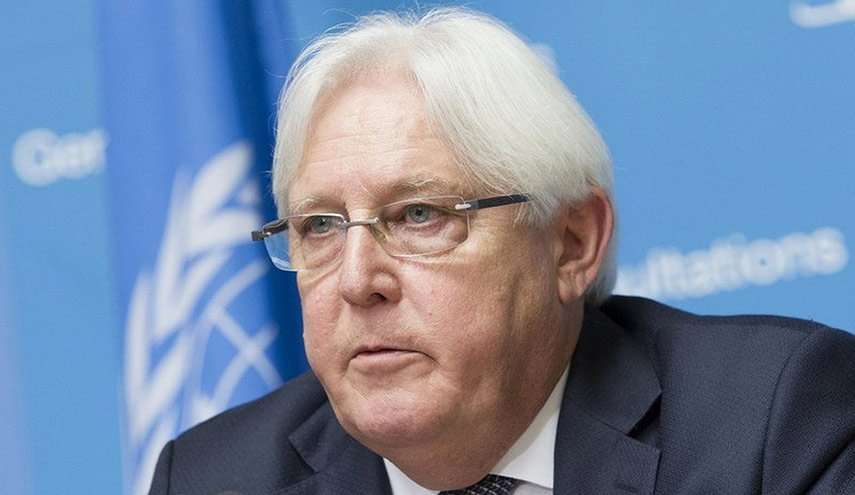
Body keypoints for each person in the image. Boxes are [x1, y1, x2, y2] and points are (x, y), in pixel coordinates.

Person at [148, 8, 855, 495]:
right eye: (321, 227)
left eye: (419, 215)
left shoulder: (772, 425)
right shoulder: (215, 477)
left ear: (571, 243)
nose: (357, 280)